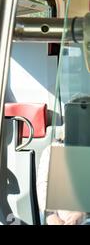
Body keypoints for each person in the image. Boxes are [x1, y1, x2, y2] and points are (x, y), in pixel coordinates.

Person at [36, 95, 90, 225]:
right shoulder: (53, 150)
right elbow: (44, 186)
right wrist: (50, 216)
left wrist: (84, 213)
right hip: (60, 218)